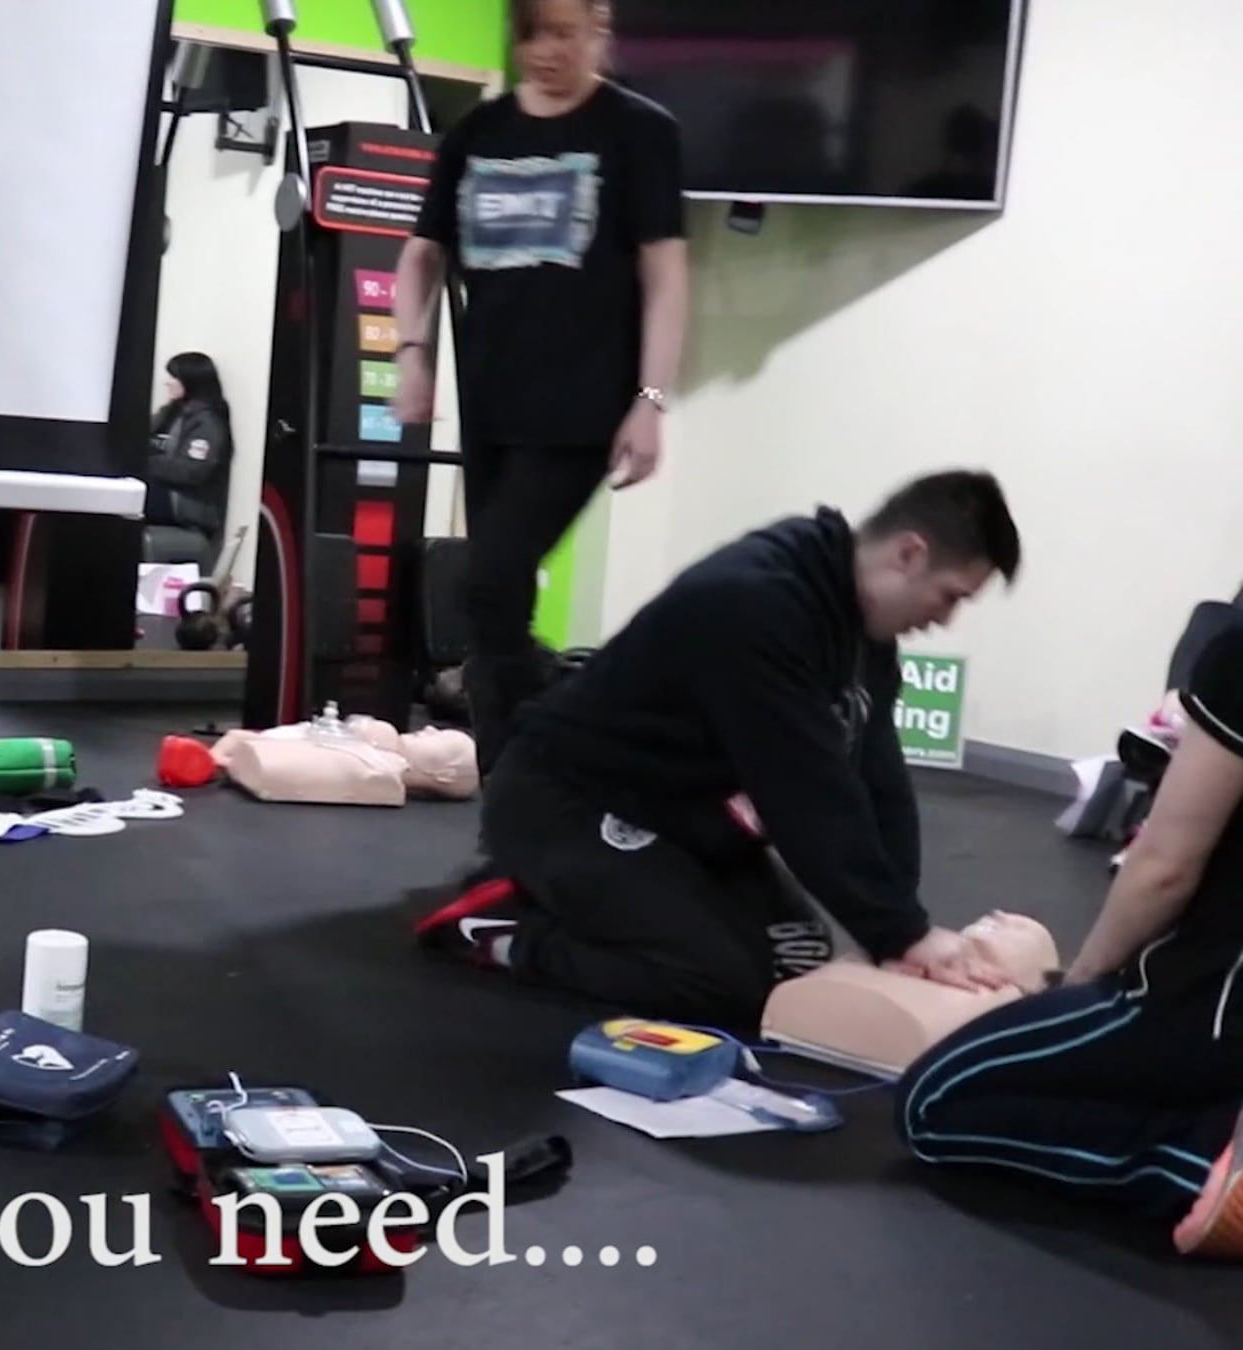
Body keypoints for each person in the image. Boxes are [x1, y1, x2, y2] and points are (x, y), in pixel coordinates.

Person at [417, 471, 1023, 1027]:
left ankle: (587, 902)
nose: (946, 619)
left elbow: (876, 773)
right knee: (722, 985)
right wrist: (903, 933)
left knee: (797, 958)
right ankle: (503, 929)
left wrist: (900, 927)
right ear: (909, 554)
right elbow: (805, 793)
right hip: (567, 803)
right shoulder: (757, 602)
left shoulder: (863, 629)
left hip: (677, 814)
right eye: (951, 596)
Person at [390, 0, 689, 776]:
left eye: (564, 33)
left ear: (597, 27)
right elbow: (422, 254)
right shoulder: (477, 134)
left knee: (487, 584)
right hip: (492, 401)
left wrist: (651, 401)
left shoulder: (639, 132)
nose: (546, 51)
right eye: (531, 34)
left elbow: (665, 276)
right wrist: (413, 352)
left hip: (584, 408)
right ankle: (527, 787)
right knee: (500, 608)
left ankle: (545, 766)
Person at [895, 624, 1243, 1259]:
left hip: (1210, 1013)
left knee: (931, 1105)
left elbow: (1164, 866)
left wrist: (1084, 980)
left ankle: (1196, 1164)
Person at [143, 351, 231, 545]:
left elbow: (191, 470)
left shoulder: (207, 422)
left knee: (128, 499)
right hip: (164, 491)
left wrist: (145, 463)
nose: (168, 383)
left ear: (191, 381)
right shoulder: (169, 414)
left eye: (174, 378)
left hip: (189, 504)